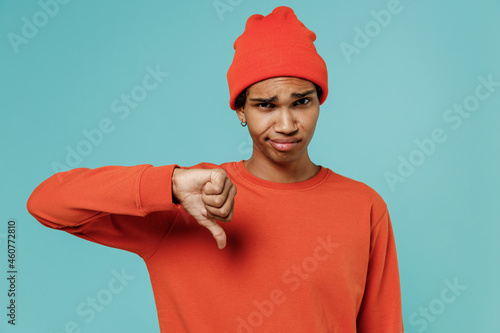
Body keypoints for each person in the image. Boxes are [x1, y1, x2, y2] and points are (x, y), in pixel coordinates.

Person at [27, 6, 404, 332]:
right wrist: (169, 184)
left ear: (319, 101)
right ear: (240, 110)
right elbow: (46, 203)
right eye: (266, 105)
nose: (287, 124)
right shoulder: (188, 202)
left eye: (301, 101)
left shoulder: (363, 207)